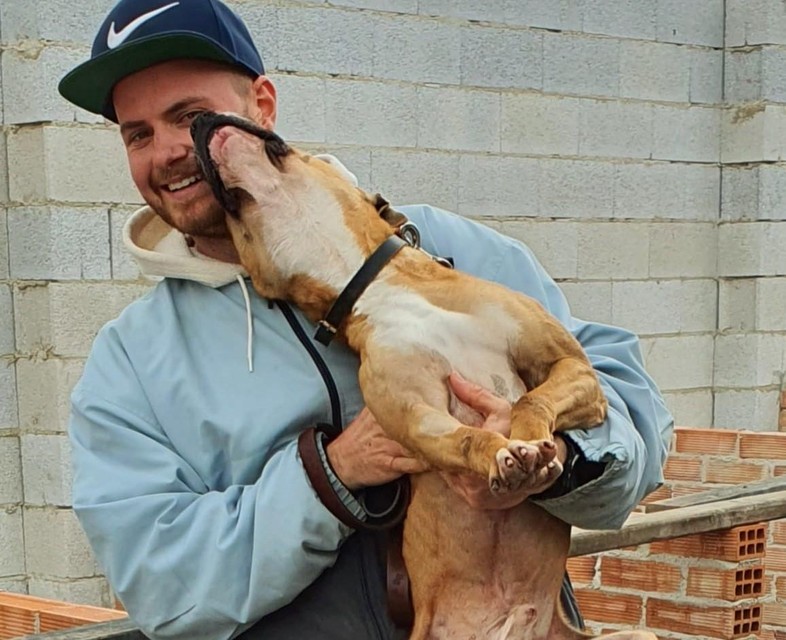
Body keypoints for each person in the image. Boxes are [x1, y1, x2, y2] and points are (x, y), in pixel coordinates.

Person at [57, 1, 674, 639]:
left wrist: (548, 456)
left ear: (262, 106)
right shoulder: (131, 363)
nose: (169, 152)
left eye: (189, 116)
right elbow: (162, 586)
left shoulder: (445, 248)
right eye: (138, 134)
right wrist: (332, 476)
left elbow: (638, 421)